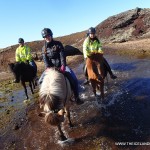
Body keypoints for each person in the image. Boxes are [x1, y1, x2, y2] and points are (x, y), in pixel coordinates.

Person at [39, 28, 84, 105]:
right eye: (45, 36)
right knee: (40, 81)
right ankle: (44, 101)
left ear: (51, 35)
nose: (47, 37)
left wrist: (63, 66)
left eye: (48, 35)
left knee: (74, 78)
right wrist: (48, 68)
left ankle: (77, 98)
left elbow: (62, 56)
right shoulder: (44, 48)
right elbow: (45, 61)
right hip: (51, 68)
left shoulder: (58, 44)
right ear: (44, 38)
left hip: (61, 66)